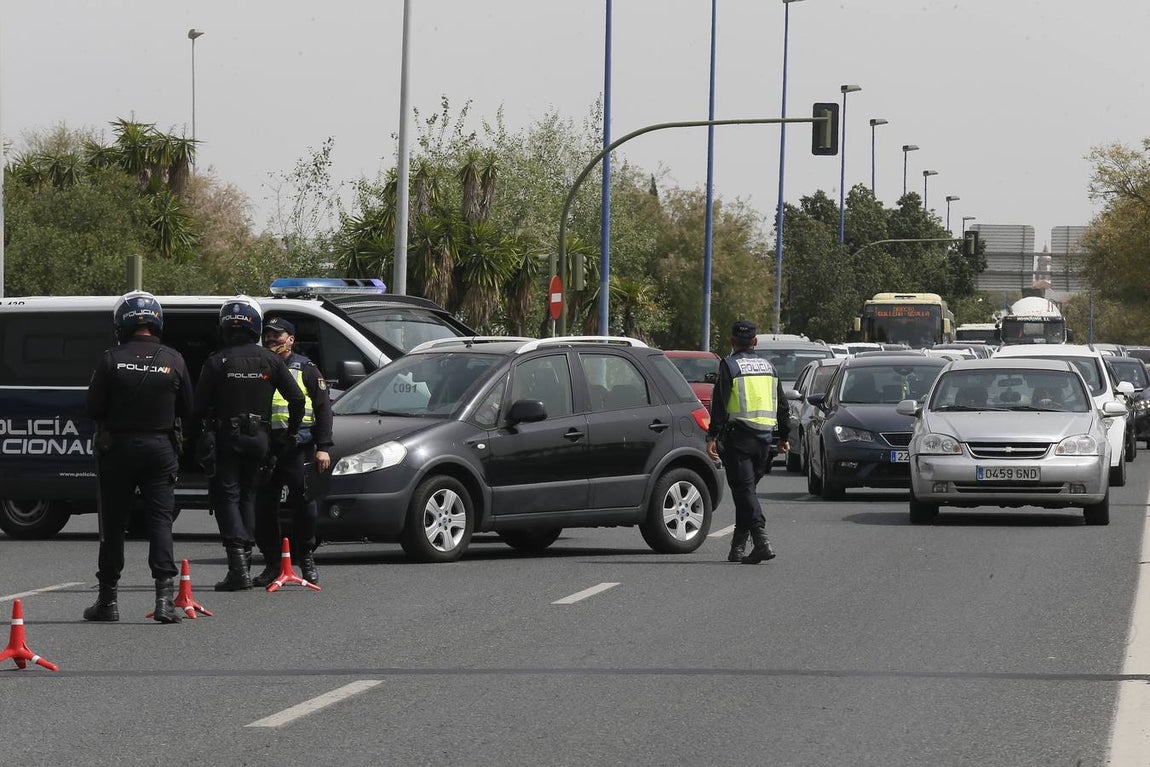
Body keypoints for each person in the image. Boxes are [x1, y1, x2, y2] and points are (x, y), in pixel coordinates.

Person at [84, 291, 194, 624]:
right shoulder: (174, 359)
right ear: (156, 322)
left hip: (117, 449)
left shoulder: (110, 359)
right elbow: (189, 408)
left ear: (122, 323)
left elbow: (93, 408)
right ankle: (164, 601)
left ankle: (108, 601)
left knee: (114, 525)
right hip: (160, 448)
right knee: (160, 521)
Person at [193, 296, 305, 591]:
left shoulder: (216, 361)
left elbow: (197, 406)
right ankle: (244, 561)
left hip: (226, 437)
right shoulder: (270, 359)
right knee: (248, 497)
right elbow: (296, 398)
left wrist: (198, 436)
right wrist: (291, 433)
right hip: (260, 439)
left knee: (227, 497)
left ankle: (238, 567)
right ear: (254, 325)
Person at [252, 316, 333, 586]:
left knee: (304, 504)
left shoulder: (306, 368)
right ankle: (272, 563)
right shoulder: (259, 366)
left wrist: (323, 447)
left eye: (277, 335)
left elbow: (323, 409)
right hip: (266, 446)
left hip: (298, 446)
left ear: (291, 340)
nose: (271, 339)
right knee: (264, 507)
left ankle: (306, 557)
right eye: (268, 335)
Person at [706, 320, 791, 565]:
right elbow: (782, 405)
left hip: (739, 439)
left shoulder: (729, 365)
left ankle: (761, 541)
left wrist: (712, 436)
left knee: (744, 492)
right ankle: (738, 547)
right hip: (764, 441)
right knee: (747, 492)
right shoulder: (769, 366)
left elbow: (720, 404)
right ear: (755, 342)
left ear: (732, 341)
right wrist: (784, 437)